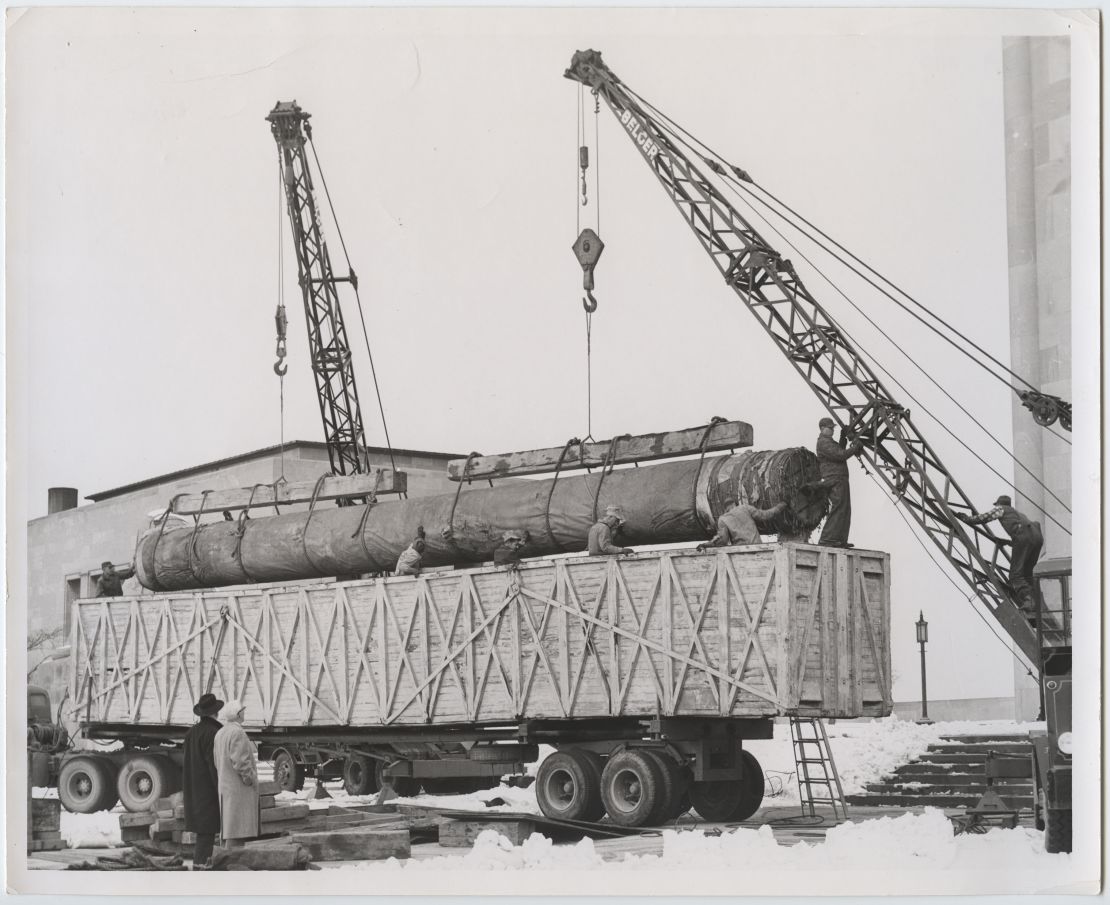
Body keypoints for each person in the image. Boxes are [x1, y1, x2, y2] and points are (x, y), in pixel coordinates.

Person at [957, 495, 1044, 613]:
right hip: (1037, 539)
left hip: (1023, 538)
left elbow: (985, 517)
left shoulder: (1001, 509)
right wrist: (1010, 542)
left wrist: (967, 519)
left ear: (999, 504)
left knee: (1015, 576)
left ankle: (1029, 601)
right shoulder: (1018, 514)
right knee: (1027, 574)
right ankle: (1038, 603)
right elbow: (1027, 533)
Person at [182, 693, 223, 869]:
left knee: (203, 833)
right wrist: (220, 789)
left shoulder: (191, 733)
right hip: (208, 791)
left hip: (193, 789)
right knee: (206, 834)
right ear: (216, 712)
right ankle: (200, 870)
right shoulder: (214, 733)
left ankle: (201, 866)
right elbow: (213, 766)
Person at [212, 700, 260, 848]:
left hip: (226, 787)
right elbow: (241, 762)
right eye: (242, 710)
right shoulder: (238, 732)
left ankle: (226, 861)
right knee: (238, 831)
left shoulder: (220, 732)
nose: (244, 712)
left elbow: (216, 760)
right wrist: (250, 779)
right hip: (238, 790)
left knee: (230, 829)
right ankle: (230, 864)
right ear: (238, 714)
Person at [815, 417, 863, 548]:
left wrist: (843, 438)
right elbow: (840, 455)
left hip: (839, 477)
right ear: (822, 428)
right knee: (839, 507)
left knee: (844, 508)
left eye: (832, 428)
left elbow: (839, 450)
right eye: (829, 428)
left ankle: (839, 540)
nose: (832, 430)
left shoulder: (828, 442)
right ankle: (827, 539)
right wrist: (855, 448)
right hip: (834, 478)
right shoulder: (823, 443)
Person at [697, 495, 787, 550]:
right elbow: (765, 515)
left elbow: (722, 540)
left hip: (741, 552)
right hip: (758, 548)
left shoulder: (723, 519)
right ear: (735, 504)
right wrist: (781, 505)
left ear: (725, 508)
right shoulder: (745, 508)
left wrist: (706, 544)